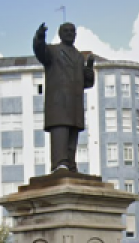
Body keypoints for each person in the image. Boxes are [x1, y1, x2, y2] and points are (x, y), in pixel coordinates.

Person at [33, 22, 95, 172]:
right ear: (60, 34)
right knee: (60, 133)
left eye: (72, 31)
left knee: (72, 136)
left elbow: (86, 83)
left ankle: (70, 164)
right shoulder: (53, 51)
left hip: (75, 104)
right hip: (58, 102)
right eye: (66, 31)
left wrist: (89, 70)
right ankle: (59, 164)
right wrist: (39, 37)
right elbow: (40, 51)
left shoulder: (79, 57)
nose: (69, 33)